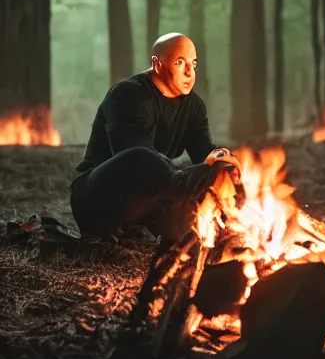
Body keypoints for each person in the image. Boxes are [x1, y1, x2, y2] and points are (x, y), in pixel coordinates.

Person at [70, 32, 240, 242]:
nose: (189, 72)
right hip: (99, 199)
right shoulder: (128, 95)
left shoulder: (193, 106)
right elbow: (137, 161)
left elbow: (204, 152)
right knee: (145, 159)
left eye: (193, 63)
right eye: (180, 62)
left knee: (194, 230)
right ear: (157, 64)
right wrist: (202, 173)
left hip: (150, 201)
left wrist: (222, 162)